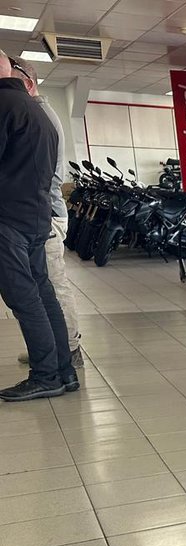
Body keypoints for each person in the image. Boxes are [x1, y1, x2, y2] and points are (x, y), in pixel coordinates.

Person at [0, 49, 75, 400]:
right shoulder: (39, 111)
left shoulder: (3, 107)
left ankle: (46, 375)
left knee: (25, 298)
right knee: (44, 294)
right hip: (35, 217)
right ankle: (64, 370)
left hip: (8, 221)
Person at [11, 56, 83, 369]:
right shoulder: (31, 113)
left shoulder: (39, 115)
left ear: (28, 83)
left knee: (52, 283)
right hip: (37, 214)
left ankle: (70, 349)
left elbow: (42, 176)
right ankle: (50, 348)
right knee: (40, 287)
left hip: (46, 216)